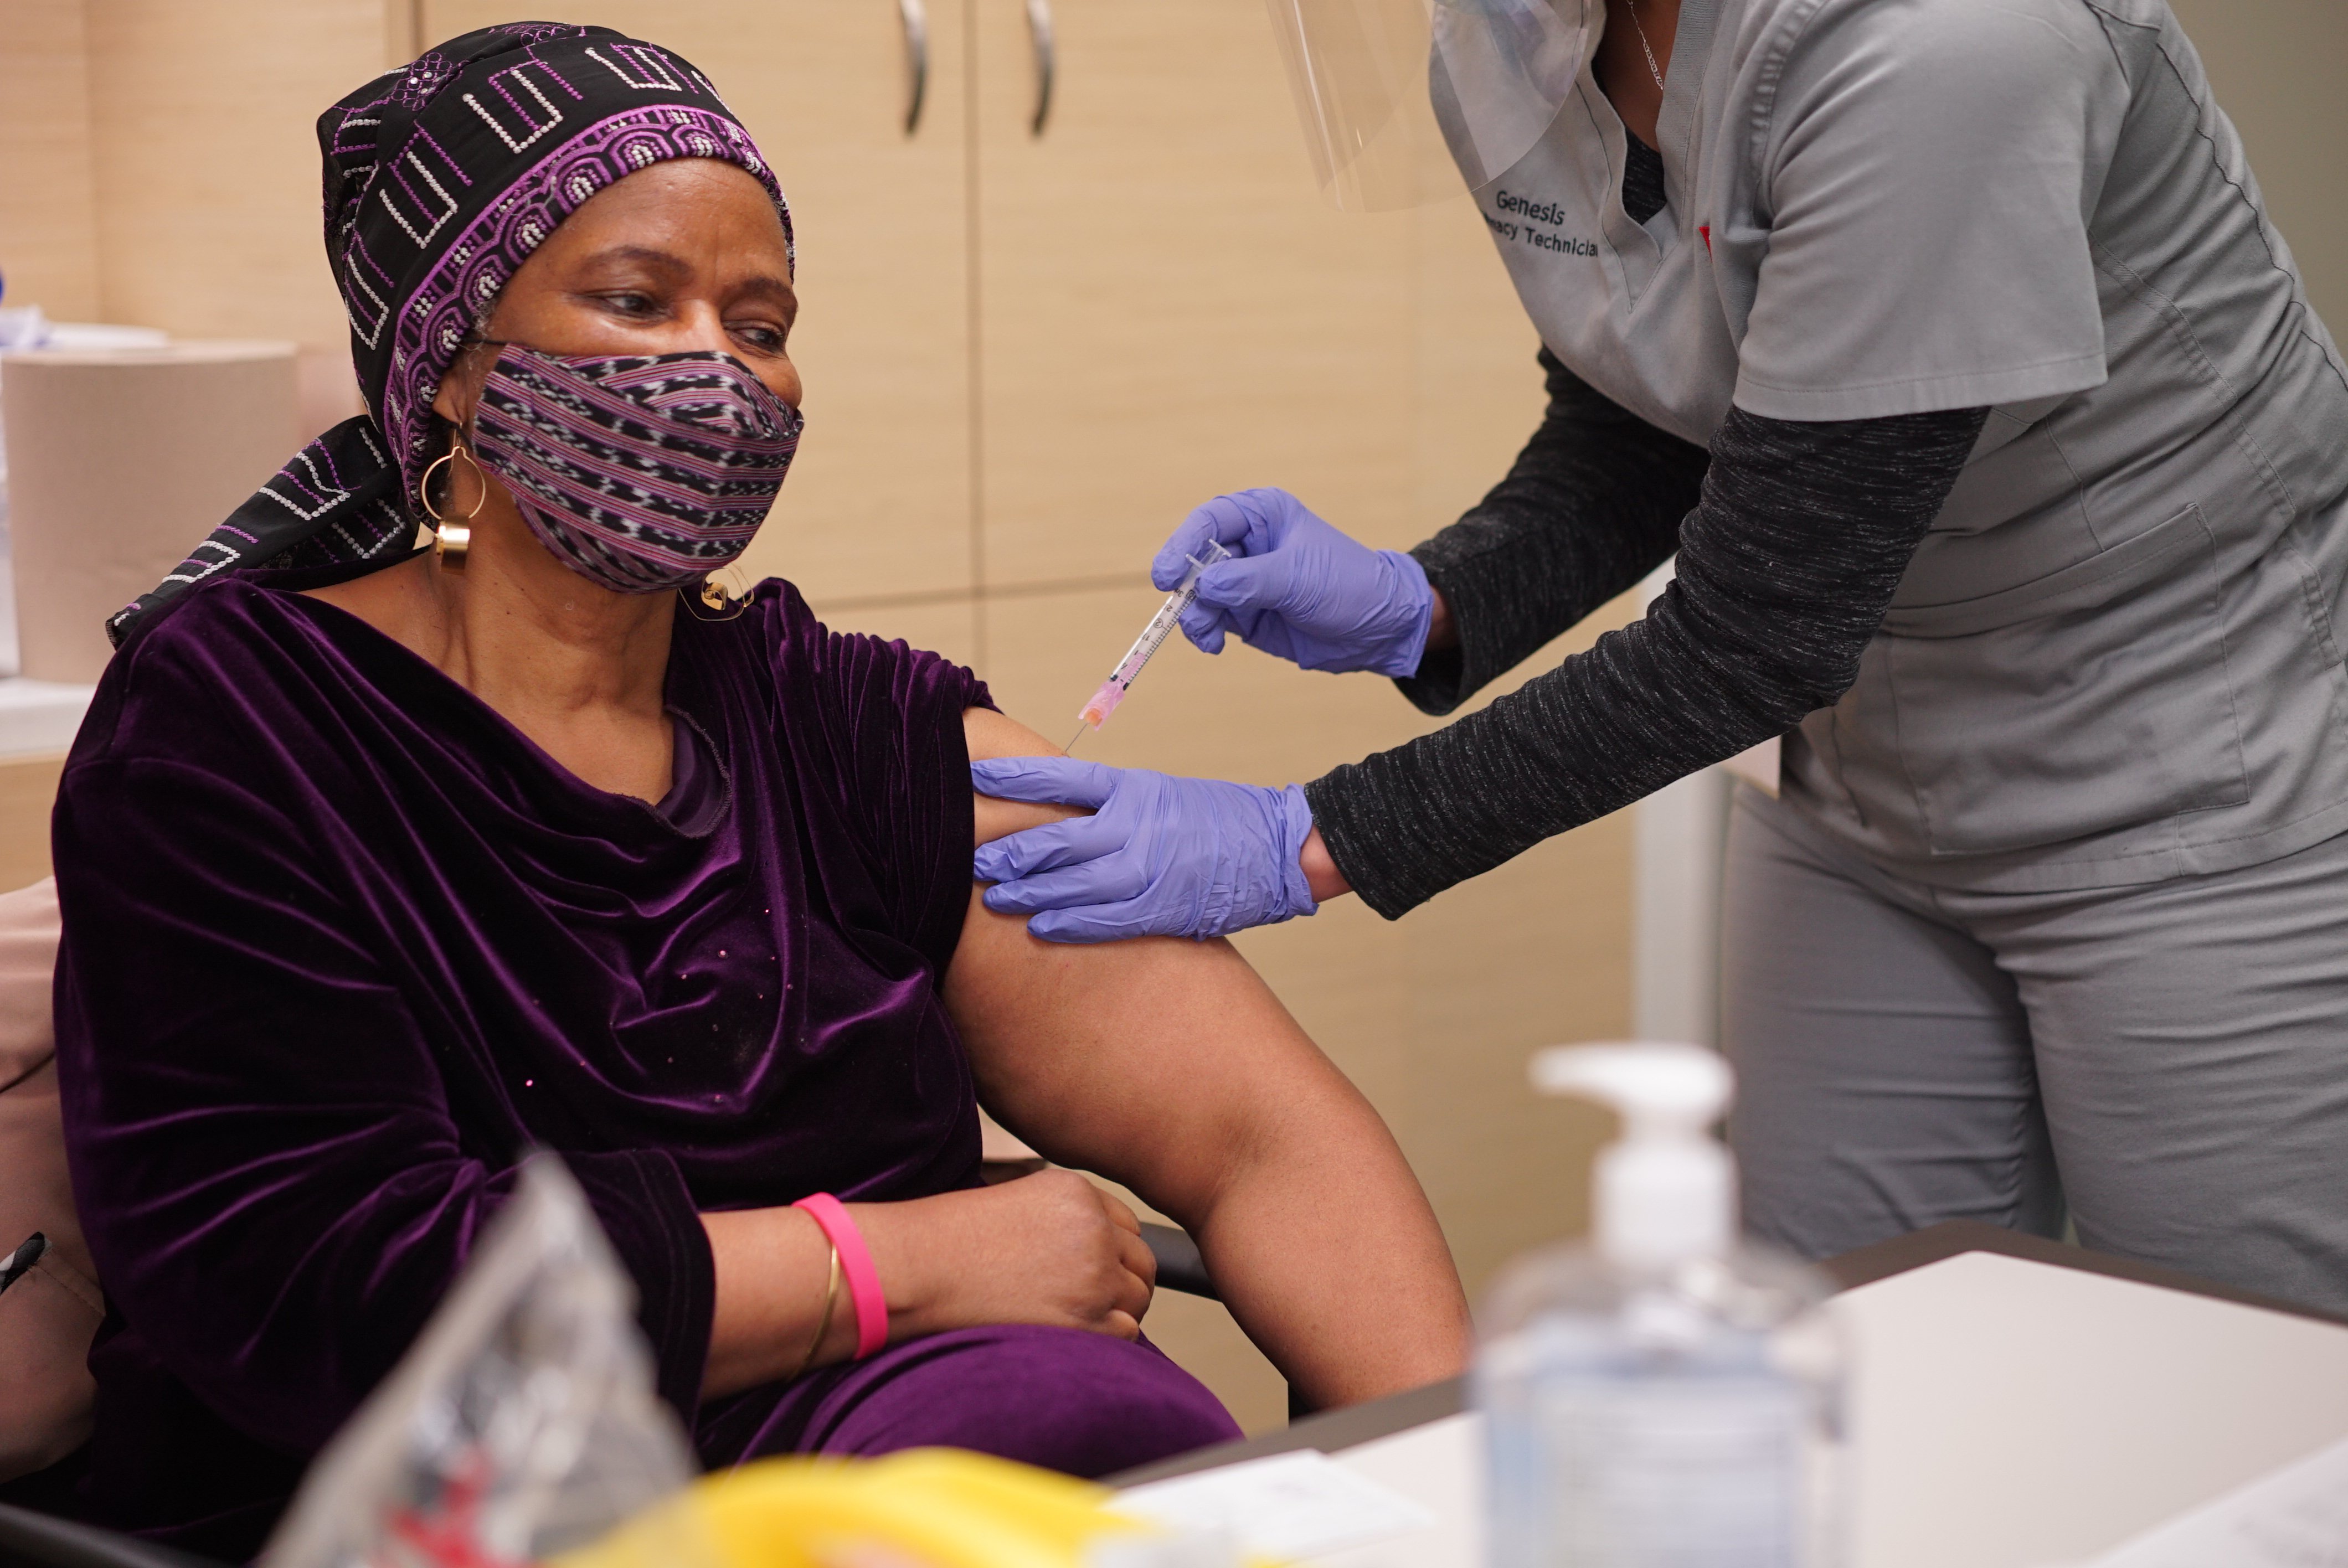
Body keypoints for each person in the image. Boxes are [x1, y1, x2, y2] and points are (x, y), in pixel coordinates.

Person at [42, 25, 1469, 1557]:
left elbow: (1258, 1139)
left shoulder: (842, 728)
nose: (716, 371)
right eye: (636, 301)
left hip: (912, 1453)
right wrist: (892, 1267)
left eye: (762, 318)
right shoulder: (237, 728)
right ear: (452, 357)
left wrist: (1463, 1487)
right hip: (452, 1499)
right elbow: (325, 1288)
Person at [971, 0, 2348, 1317]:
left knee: (2232, 1384)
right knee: (1827, 1344)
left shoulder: (1939, 41)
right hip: (1868, 773)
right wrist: (1435, 603)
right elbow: (1660, 414)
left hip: (2195, 758)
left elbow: (1752, 630)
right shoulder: (1537, 33)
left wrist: (1308, 838)